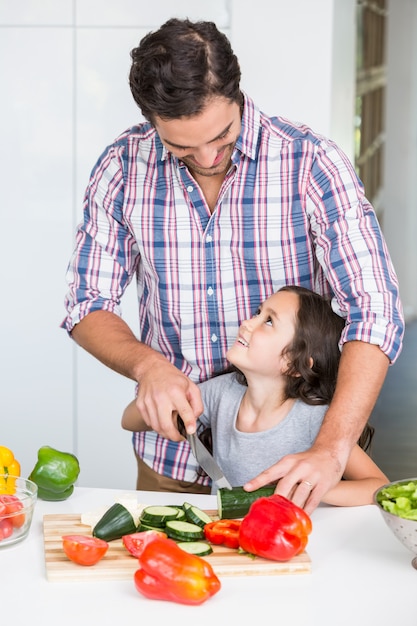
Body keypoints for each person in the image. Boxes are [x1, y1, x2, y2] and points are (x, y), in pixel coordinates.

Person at [62, 18, 404, 513]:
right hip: (172, 464)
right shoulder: (122, 167)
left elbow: (374, 311)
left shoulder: (310, 162)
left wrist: (329, 451)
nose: (207, 156)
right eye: (181, 147)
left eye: (222, 135)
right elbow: (85, 304)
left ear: (237, 94)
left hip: (296, 473)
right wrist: (149, 367)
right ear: (151, 121)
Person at [122, 286, 389, 505]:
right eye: (258, 312)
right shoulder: (222, 394)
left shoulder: (315, 419)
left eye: (268, 321)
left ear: (294, 364)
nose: (247, 323)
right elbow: (128, 421)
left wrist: (304, 489)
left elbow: (379, 487)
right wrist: (161, 388)